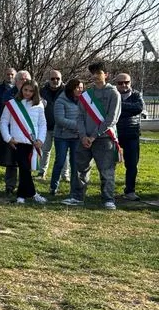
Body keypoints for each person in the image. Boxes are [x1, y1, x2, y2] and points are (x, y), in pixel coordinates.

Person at [62, 61, 121, 209]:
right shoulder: (87, 95)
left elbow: (111, 119)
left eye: (98, 73)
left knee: (106, 170)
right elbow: (80, 117)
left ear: (106, 75)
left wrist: (94, 135)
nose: (95, 76)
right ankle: (77, 197)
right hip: (85, 139)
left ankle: (108, 199)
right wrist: (83, 136)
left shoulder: (113, 93)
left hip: (104, 138)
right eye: (93, 73)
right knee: (80, 168)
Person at [0, 79, 47, 204]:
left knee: (26, 170)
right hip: (17, 142)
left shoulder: (39, 105)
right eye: (25, 90)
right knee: (24, 168)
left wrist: (41, 139)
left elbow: (42, 124)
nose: (27, 93)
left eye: (31, 91)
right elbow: (3, 122)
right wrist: (8, 138)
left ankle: (23, 196)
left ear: (35, 92)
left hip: (32, 143)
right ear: (21, 89)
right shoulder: (12, 104)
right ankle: (30, 194)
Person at [0, 70, 32, 195]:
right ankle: (10, 186)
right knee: (11, 162)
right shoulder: (9, 94)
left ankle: (25, 187)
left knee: (26, 163)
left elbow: (42, 102)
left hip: (28, 134)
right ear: (16, 81)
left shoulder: (33, 93)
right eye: (22, 79)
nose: (24, 81)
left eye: (26, 79)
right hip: (13, 132)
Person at [50, 78, 83, 196]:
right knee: (60, 160)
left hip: (76, 137)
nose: (80, 90)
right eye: (78, 88)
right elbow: (59, 120)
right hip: (62, 137)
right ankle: (53, 186)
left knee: (75, 163)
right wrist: (78, 126)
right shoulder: (61, 100)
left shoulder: (82, 101)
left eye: (81, 88)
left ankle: (74, 188)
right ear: (72, 88)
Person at [115, 72, 144, 201]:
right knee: (109, 164)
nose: (124, 85)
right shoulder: (112, 95)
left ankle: (130, 191)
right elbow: (108, 110)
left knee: (132, 164)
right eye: (120, 83)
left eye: (126, 82)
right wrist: (127, 109)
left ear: (130, 83)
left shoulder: (137, 95)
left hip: (132, 135)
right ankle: (108, 191)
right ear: (116, 84)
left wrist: (119, 106)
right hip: (114, 135)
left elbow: (138, 108)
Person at [38, 69, 67, 180]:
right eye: (52, 78)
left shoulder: (66, 91)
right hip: (47, 126)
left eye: (58, 78)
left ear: (61, 79)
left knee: (63, 152)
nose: (55, 80)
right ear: (48, 79)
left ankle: (65, 174)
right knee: (45, 150)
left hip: (62, 127)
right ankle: (42, 172)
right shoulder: (42, 91)